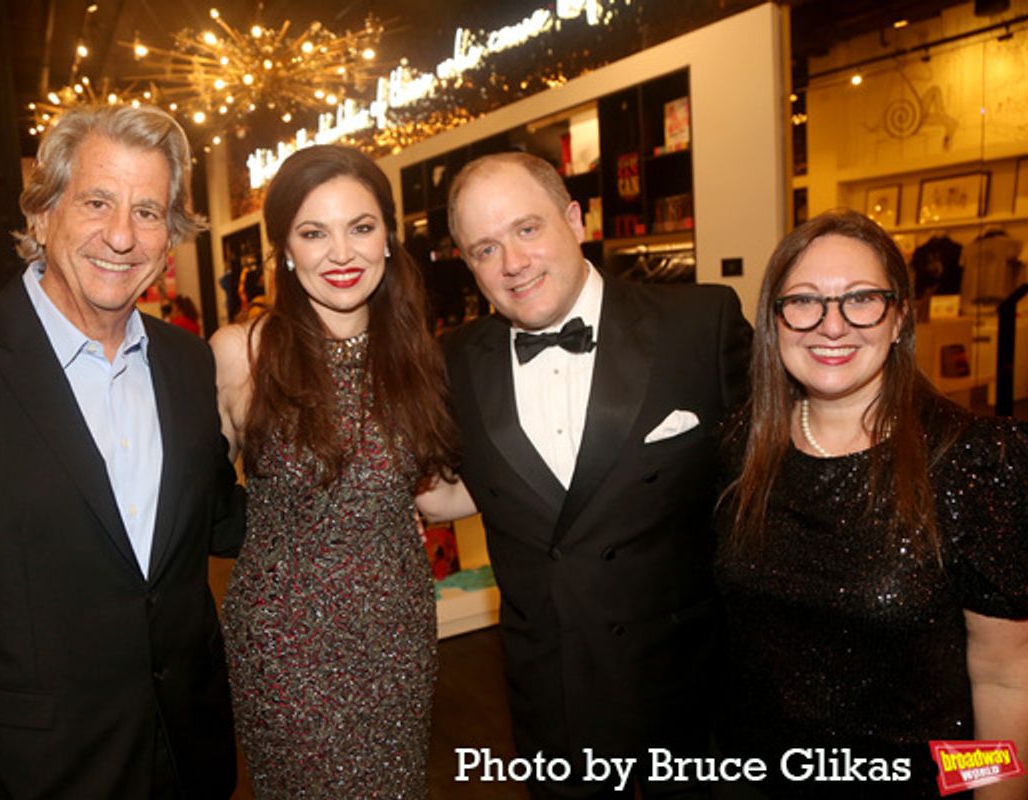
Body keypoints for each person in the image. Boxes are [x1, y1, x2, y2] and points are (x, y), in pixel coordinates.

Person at [0, 104, 244, 800]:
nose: (121, 235)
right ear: (42, 214)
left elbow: (217, 519)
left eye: (148, 211)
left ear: (170, 235)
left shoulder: (187, 363)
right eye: (97, 201)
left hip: (190, 758)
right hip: (29, 775)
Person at [427, 150, 752, 798]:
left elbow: (775, 480)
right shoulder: (452, 361)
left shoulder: (700, 325)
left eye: (527, 229)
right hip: (552, 715)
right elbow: (456, 484)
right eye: (485, 248)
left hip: (690, 712)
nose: (513, 263)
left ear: (574, 219)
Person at [714, 209, 1028, 798]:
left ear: (899, 317)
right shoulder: (742, 447)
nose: (831, 326)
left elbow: (1005, 680)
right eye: (804, 301)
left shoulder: (977, 462)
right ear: (775, 320)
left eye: (862, 299)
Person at [209, 144, 458, 799]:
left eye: (361, 227)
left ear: (388, 237)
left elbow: (433, 493)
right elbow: (191, 503)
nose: (341, 253)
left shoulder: (415, 354)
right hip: (287, 640)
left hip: (399, 626)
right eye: (314, 233)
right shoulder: (243, 353)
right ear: (286, 249)